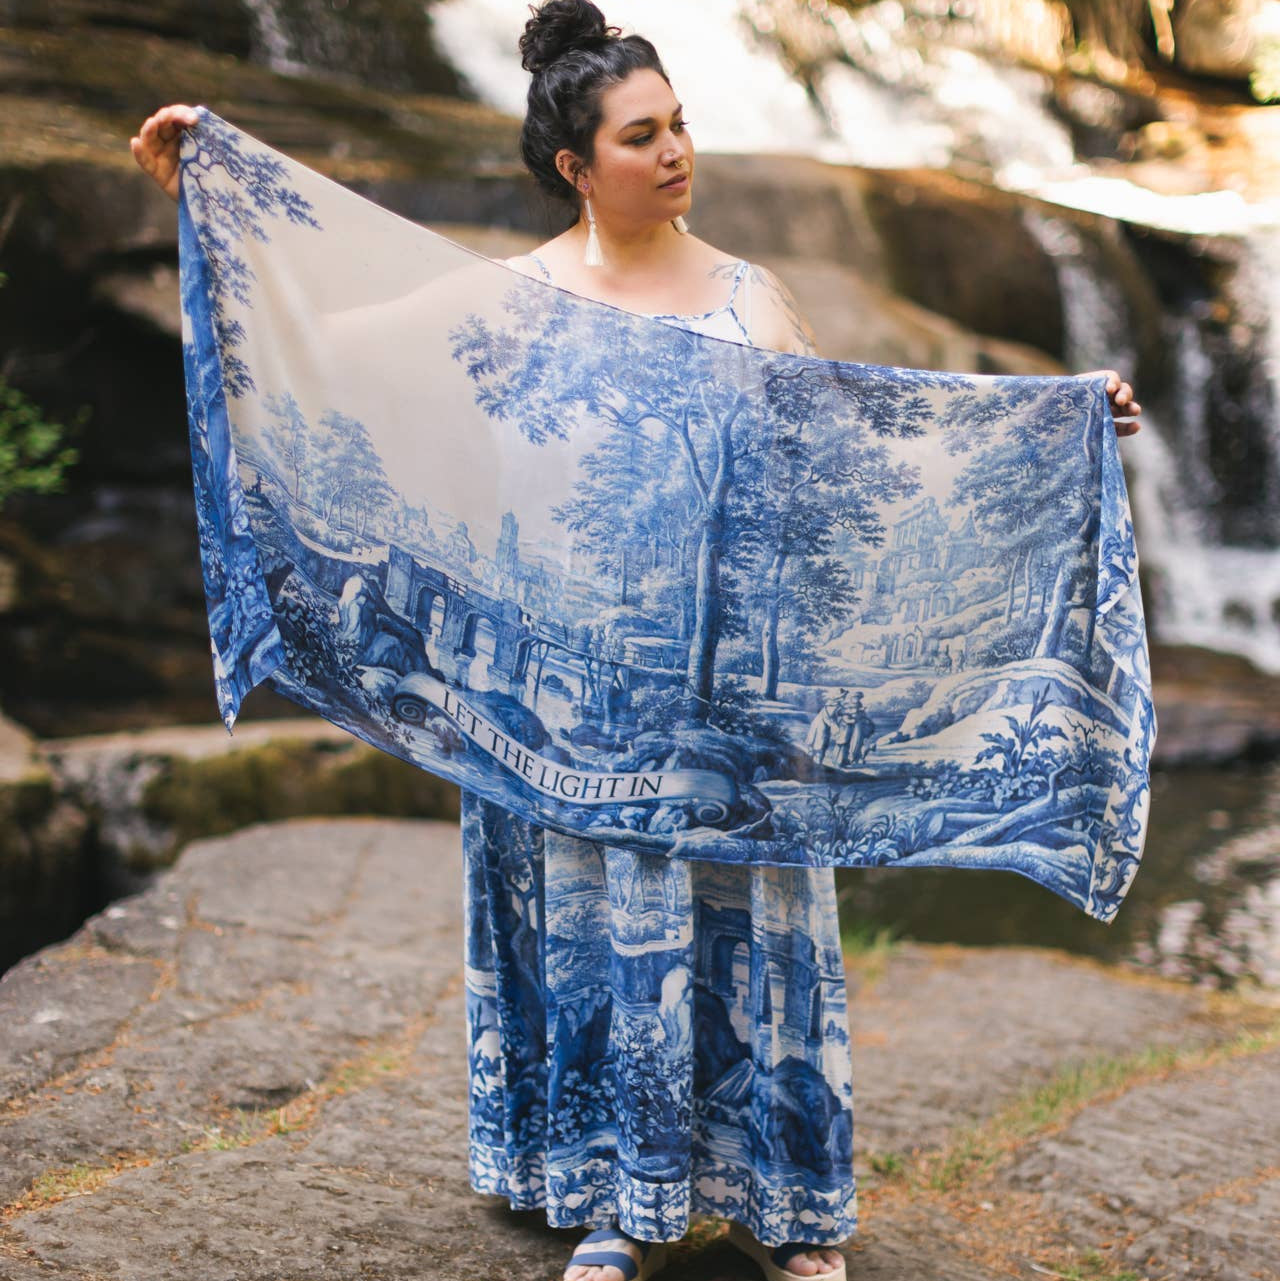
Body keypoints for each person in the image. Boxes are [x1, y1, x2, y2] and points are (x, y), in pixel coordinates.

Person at [131, 5, 1143, 1279]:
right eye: (640, 135)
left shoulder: (748, 302)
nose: (675, 153)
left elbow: (852, 457)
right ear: (574, 165)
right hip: (571, 730)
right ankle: (613, 1200)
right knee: (597, 938)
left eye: (678, 125)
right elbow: (314, 354)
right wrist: (209, 200)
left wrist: (1057, 430)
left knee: (749, 940)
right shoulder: (511, 304)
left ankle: (780, 1207)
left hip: (727, 710)